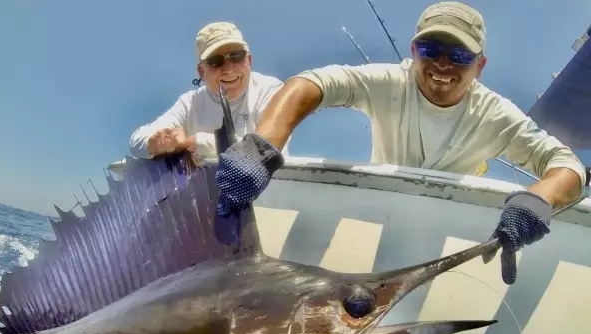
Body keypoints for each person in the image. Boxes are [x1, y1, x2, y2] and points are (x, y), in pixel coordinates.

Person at [214, 1, 587, 286]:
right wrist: (261, 146)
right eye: (431, 51)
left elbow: (565, 164)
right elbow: (310, 85)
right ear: (413, 52)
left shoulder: (495, 113)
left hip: (461, 241)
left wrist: (539, 198)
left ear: (480, 65)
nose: (443, 65)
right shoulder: (390, 81)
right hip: (383, 223)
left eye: (459, 56)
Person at [129, 21, 289, 162]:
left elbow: (266, 150)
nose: (228, 68)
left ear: (249, 60)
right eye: (215, 61)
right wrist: (156, 142)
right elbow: (137, 140)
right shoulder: (189, 103)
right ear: (201, 72)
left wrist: (198, 143)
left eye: (236, 56)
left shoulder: (270, 89)